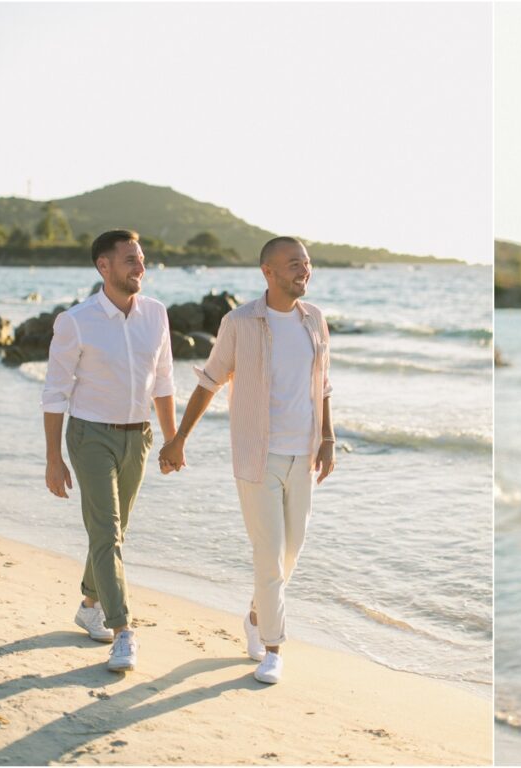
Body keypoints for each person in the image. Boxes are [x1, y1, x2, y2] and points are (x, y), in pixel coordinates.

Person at [159, 236, 335, 685]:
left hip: (305, 453)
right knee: (268, 555)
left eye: (308, 263)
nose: (304, 270)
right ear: (268, 272)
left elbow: (324, 384)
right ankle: (273, 650)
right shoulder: (239, 322)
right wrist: (178, 439)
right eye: (295, 263)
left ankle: (258, 615)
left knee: (291, 553)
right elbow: (210, 381)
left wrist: (329, 437)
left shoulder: (315, 320)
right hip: (258, 455)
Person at [42, 229, 176, 672]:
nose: (140, 266)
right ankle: (123, 631)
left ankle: (88, 602)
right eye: (130, 260)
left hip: (138, 436)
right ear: (105, 267)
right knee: (106, 530)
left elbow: (164, 380)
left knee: (113, 532)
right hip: (90, 436)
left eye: (141, 258)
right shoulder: (76, 320)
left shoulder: (156, 314)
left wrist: (173, 439)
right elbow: (55, 393)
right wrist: (53, 458)